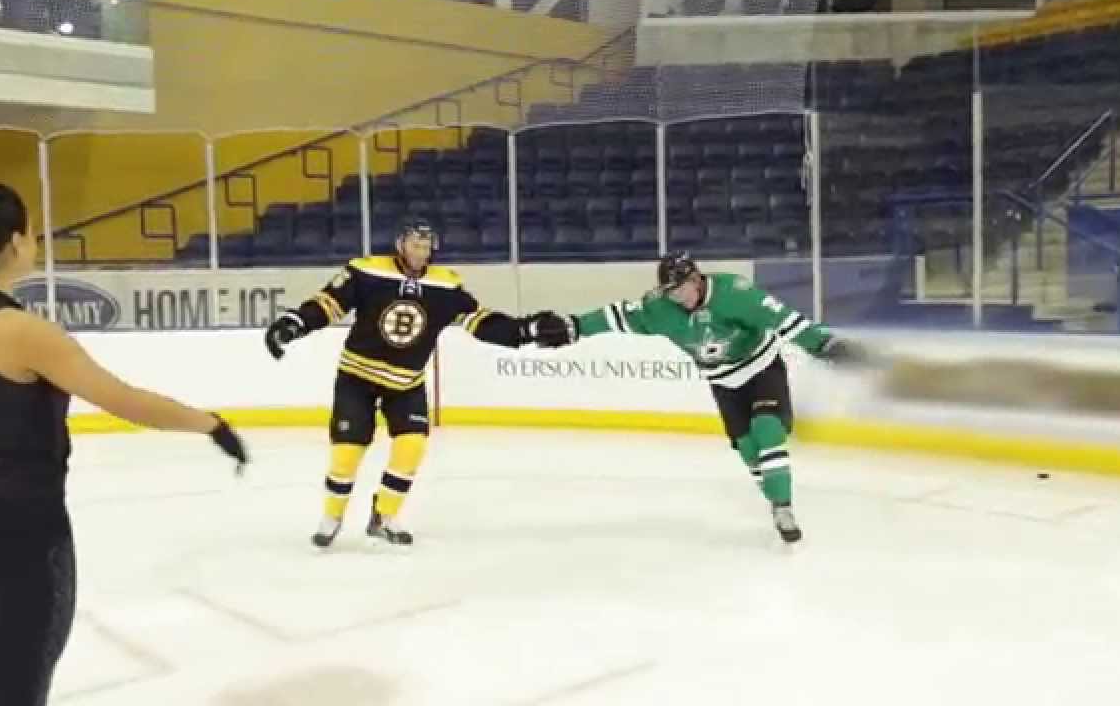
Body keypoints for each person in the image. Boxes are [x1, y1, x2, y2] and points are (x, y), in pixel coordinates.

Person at [0, 184, 248, 706]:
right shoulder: (21, 333)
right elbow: (126, 401)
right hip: (20, 536)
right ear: (17, 242)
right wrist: (209, 424)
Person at [528, 252, 865, 543]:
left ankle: (783, 508)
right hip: (722, 381)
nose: (677, 298)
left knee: (767, 432)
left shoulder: (735, 293)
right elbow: (616, 316)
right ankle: (775, 500)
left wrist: (823, 343)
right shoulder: (658, 308)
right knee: (748, 449)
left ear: (696, 279)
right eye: (670, 293)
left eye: (681, 290)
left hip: (761, 369)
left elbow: (782, 319)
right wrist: (573, 326)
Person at [265, 217, 541, 549]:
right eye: (415, 244)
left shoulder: (446, 285)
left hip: (406, 382)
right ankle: (332, 516)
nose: (420, 252)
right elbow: (328, 304)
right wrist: (294, 324)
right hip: (357, 376)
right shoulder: (367, 271)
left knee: (412, 446)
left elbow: (479, 321)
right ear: (400, 244)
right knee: (347, 452)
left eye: (426, 247)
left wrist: (522, 331)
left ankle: (384, 516)